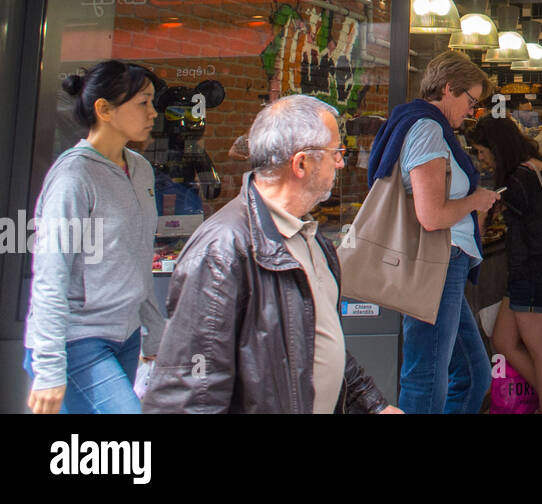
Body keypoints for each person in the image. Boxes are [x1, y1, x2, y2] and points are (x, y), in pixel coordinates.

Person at [143, 94, 398, 413]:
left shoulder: (312, 240)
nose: (341, 162)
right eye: (336, 152)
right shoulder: (222, 249)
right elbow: (189, 395)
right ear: (302, 163)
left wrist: (373, 405)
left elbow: (314, 342)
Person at [24, 62, 166, 414]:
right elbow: (50, 276)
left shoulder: (140, 168)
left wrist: (154, 329)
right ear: (104, 109)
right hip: (78, 339)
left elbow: (136, 257)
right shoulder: (74, 177)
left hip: (126, 335)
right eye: (143, 103)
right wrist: (49, 368)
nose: (153, 112)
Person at [367, 50, 500, 414]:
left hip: (444, 261)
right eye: (470, 100)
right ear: (447, 89)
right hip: (437, 260)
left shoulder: (421, 124)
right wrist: (476, 200)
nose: (472, 111)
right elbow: (432, 215)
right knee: (427, 375)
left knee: (473, 373)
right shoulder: (427, 129)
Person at [467, 116, 542, 413]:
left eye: (481, 151)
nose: (481, 159)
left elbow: (485, 213)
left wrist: (480, 214)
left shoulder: (518, 179)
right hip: (530, 270)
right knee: (504, 339)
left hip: (531, 270)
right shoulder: (536, 166)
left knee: (541, 351)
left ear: (496, 147)